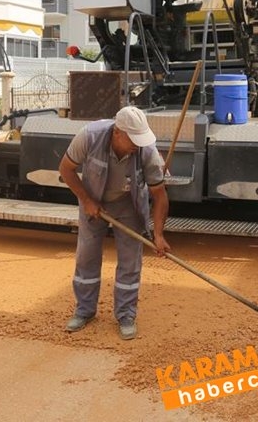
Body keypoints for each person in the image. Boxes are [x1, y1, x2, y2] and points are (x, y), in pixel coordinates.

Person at [58, 106, 170, 340]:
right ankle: (84, 310)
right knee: (87, 256)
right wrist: (87, 200)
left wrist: (158, 235)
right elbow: (66, 169)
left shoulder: (147, 151)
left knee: (130, 261)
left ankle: (126, 314)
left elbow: (160, 195)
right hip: (93, 202)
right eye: (133, 139)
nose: (137, 144)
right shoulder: (89, 136)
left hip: (129, 205)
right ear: (117, 132)